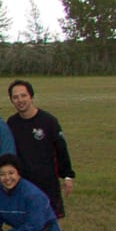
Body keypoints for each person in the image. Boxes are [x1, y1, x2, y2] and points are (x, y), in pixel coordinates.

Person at [6, 79, 75, 217]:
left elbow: (61, 149)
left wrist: (67, 176)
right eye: (15, 97)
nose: (20, 100)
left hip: (47, 183)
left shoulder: (49, 121)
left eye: (23, 95)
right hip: (24, 183)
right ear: (12, 101)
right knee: (28, 223)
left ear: (31, 96)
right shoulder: (11, 124)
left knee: (52, 224)